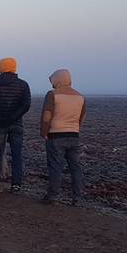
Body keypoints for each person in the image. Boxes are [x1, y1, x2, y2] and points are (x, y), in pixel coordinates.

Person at [41, 69, 87, 205]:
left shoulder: (52, 95)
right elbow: (81, 118)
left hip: (56, 135)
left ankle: (53, 196)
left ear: (57, 80)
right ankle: (78, 197)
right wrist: (75, 129)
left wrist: (44, 132)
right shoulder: (80, 96)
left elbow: (47, 115)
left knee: (55, 166)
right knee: (76, 167)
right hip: (74, 135)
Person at [0, 57, 31, 194]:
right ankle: (16, 184)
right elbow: (26, 104)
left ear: (0, 68)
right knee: (17, 155)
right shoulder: (22, 85)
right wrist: (13, 117)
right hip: (16, 123)